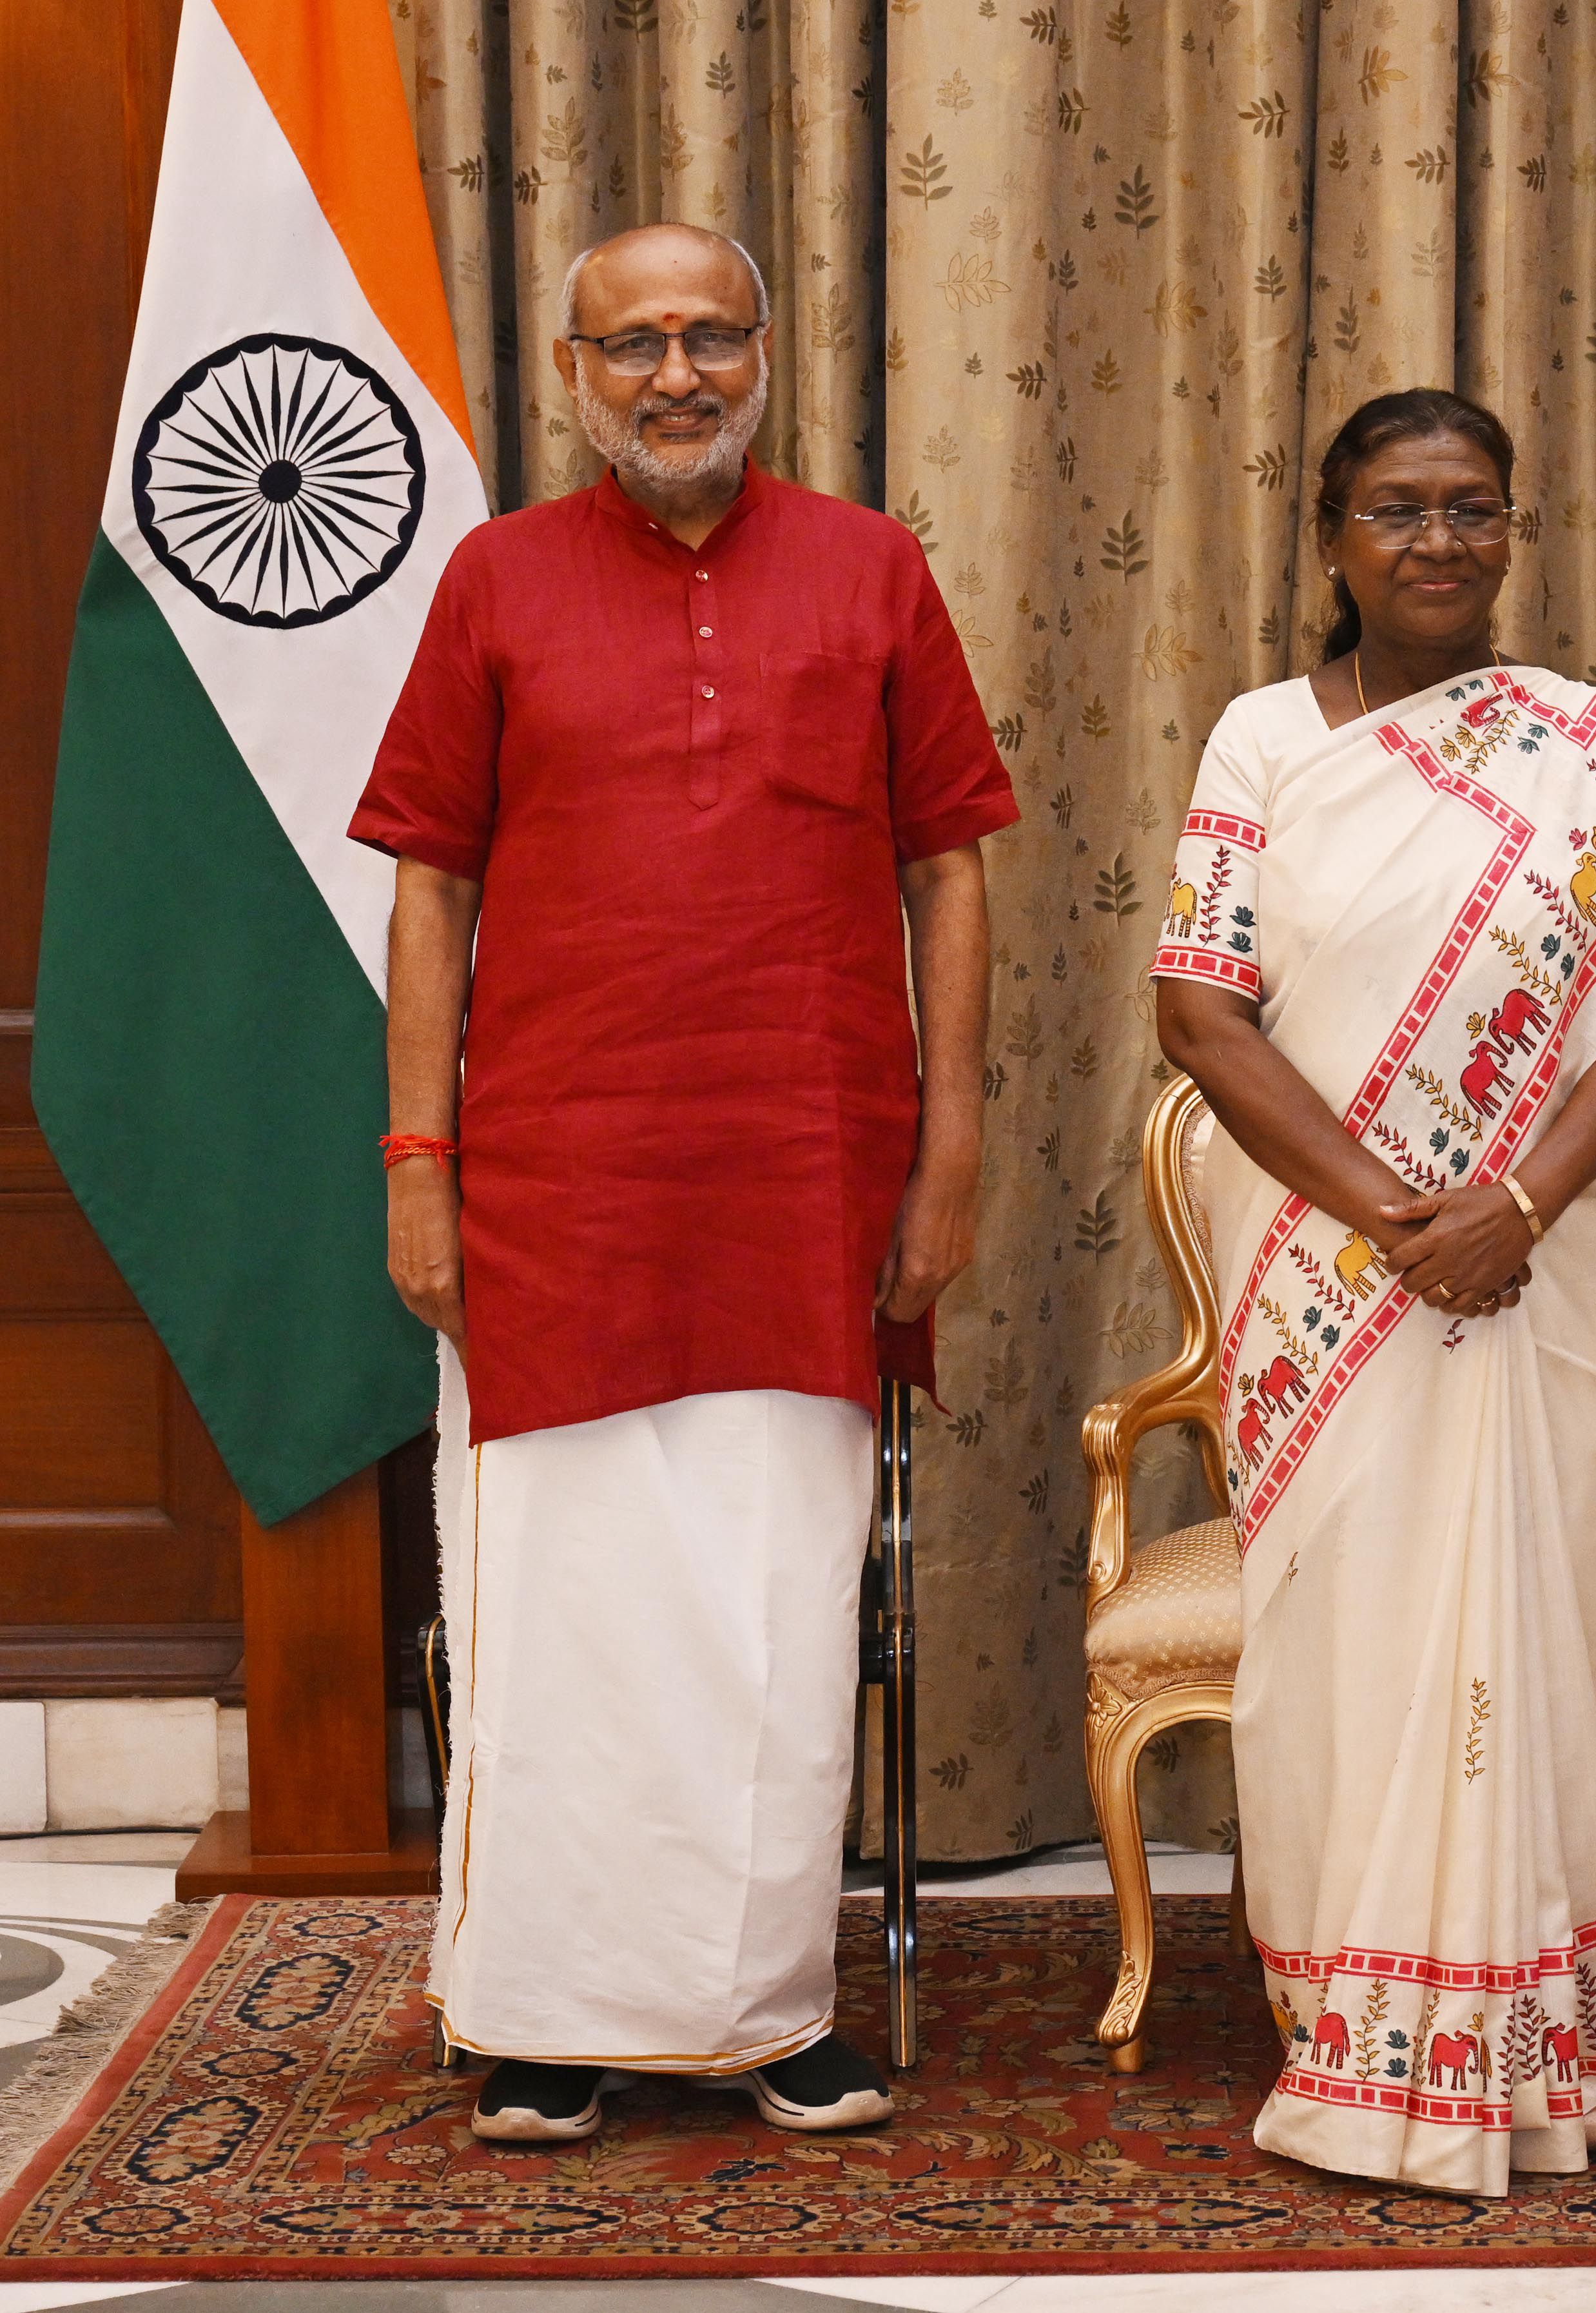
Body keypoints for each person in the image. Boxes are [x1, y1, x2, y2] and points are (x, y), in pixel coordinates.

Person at [351, 223, 1017, 2143]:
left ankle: (764, 2009)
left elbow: (949, 866)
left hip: (808, 1172)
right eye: (633, 342)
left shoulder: (871, 569)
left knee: (773, 1603)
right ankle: (549, 2019)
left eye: (712, 335)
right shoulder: (497, 580)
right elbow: (431, 885)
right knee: (564, 1605)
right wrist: (417, 1160)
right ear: (573, 374)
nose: (676, 374)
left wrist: (950, 1146)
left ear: (765, 354)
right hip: (555, 1180)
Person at [1153, 389, 1596, 2196]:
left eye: (1471, 507)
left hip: (1544, 1272)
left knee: (1529, 1633)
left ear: (1514, 530)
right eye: (1396, 508)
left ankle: (1533, 2034)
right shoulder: (1262, 741)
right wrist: (1402, 1221)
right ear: (1331, 538)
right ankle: (1357, 2032)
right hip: (1328, 1275)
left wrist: (1513, 1206)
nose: (1437, 539)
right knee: (1347, 1644)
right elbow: (1199, 1009)